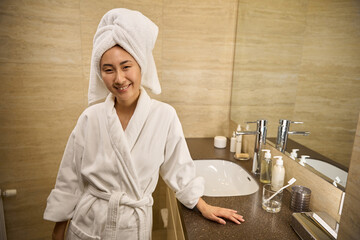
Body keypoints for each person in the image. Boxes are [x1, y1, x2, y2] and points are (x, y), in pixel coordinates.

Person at [44, 8, 244, 240]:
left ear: (141, 66)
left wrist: (202, 205)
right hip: (88, 225)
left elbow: (179, 169)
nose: (119, 79)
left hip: (133, 228)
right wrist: (59, 231)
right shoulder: (90, 118)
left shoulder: (164, 115)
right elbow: (69, 178)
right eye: (108, 70)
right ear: (100, 74)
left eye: (126, 66)